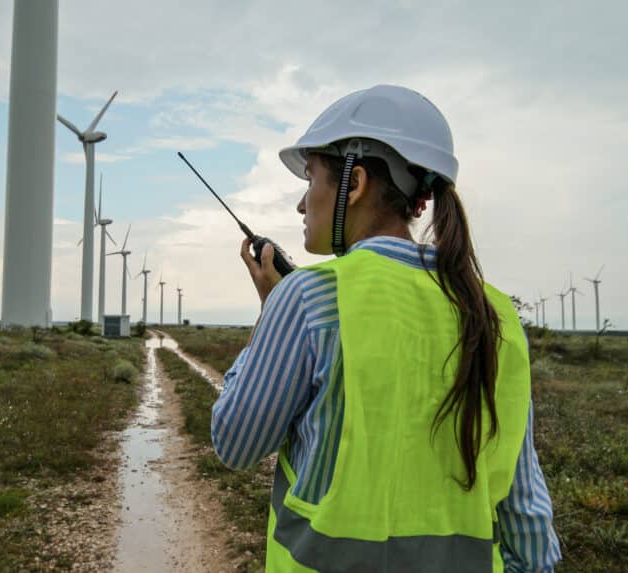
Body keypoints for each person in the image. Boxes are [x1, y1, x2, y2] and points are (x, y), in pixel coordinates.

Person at [211, 85, 561, 572]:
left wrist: (271, 312)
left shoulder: (310, 297)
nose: (299, 204)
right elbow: (527, 520)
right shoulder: (495, 314)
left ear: (353, 185)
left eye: (310, 177)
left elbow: (235, 442)